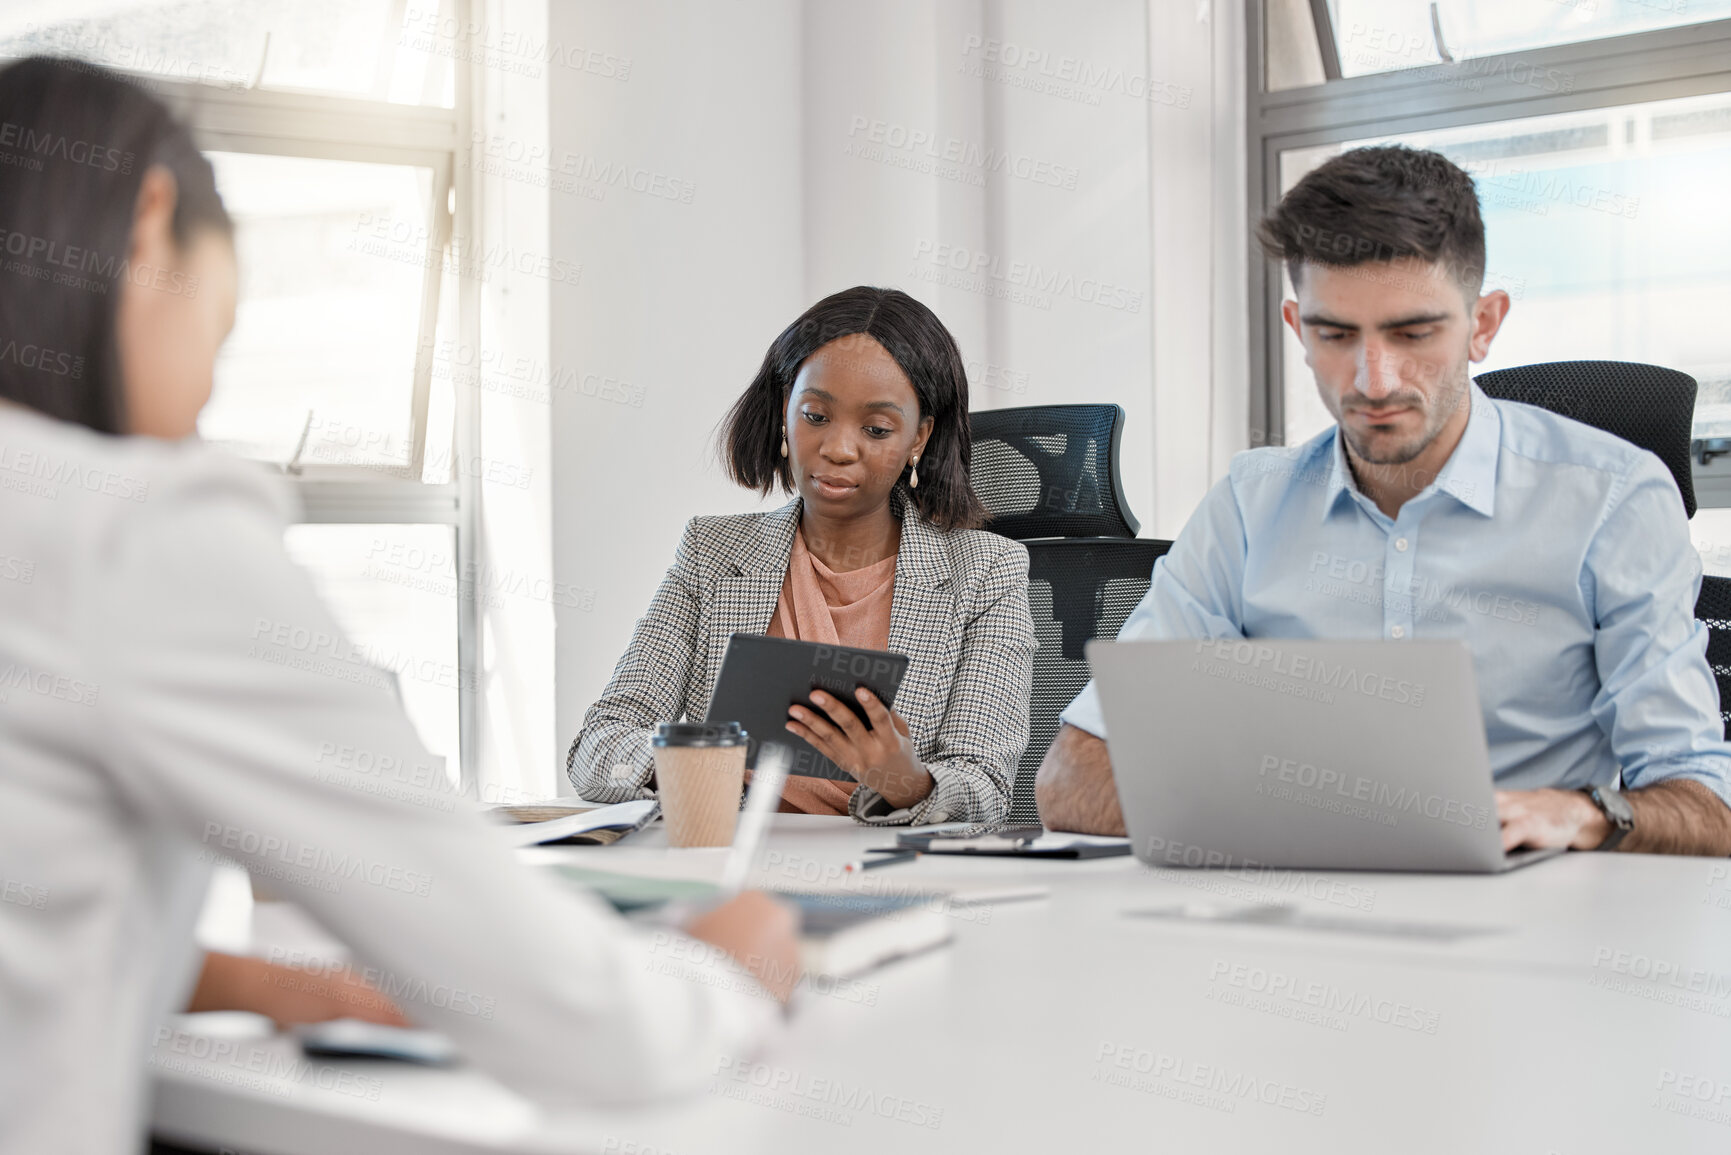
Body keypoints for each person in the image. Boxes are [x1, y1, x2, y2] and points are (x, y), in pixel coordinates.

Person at [0, 57, 799, 1155]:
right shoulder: (130, 532)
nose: (197, 408)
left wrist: (270, 986)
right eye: (219, 339)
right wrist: (724, 971)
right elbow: (587, 1031)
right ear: (146, 225)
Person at [1036, 145, 1731, 856]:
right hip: (1298, 922)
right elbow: (1073, 780)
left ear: (1483, 323)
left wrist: (1583, 814)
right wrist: (1355, 826)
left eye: (1413, 332)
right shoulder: (1247, 507)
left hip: (1528, 920)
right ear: (1296, 328)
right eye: (1334, 334)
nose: (1373, 379)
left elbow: (1706, 804)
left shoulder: (1612, 500)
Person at [569, 287, 1034, 826]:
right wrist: (689, 768)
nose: (838, 448)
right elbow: (598, 746)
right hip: (727, 857)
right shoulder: (711, 554)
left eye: (877, 429)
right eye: (816, 416)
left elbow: (987, 789)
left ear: (918, 438)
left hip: (883, 873)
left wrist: (905, 780)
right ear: (786, 413)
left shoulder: (986, 573)